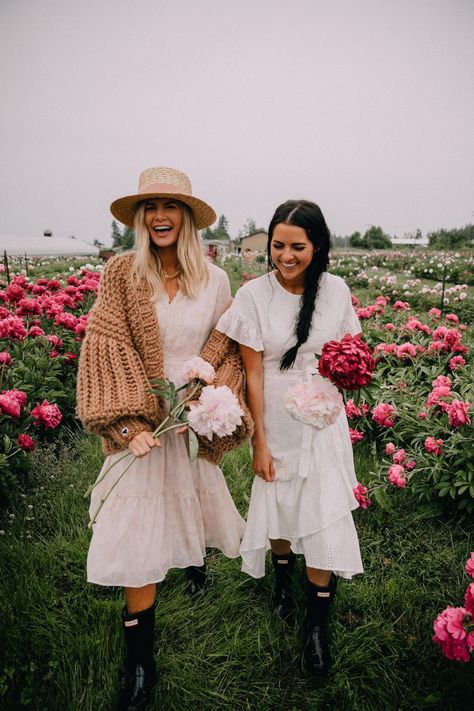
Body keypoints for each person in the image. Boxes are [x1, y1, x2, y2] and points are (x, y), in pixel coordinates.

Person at [77, 166, 252, 709]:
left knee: (190, 501)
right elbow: (107, 347)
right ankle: (140, 664)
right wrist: (128, 426)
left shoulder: (216, 280)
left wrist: (212, 402)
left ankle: (194, 562)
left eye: (169, 206)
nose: (159, 216)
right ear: (138, 218)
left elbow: (224, 348)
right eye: (149, 207)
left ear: (187, 218)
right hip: (143, 417)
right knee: (134, 537)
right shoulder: (122, 273)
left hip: (190, 416)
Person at [216, 199, 363, 676]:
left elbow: (351, 353)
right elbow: (253, 374)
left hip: (323, 421)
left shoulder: (337, 292)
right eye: (278, 245)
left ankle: (316, 625)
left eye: (297, 246)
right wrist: (258, 439)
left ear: (317, 246)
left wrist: (343, 381)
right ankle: (283, 581)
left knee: (321, 511)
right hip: (276, 417)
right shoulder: (254, 297)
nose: (286, 255)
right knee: (279, 506)